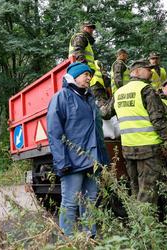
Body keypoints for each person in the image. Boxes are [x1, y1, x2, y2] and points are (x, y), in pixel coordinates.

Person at [47, 62, 109, 237]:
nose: (88, 78)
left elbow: (97, 132)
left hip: (93, 160)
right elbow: (54, 133)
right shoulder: (62, 97)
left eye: (90, 75)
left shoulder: (90, 99)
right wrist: (62, 161)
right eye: (85, 75)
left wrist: (103, 159)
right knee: (70, 202)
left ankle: (90, 236)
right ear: (74, 76)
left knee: (90, 202)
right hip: (72, 162)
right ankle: (68, 241)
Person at [114, 60, 167, 205]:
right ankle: (147, 225)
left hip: (128, 148)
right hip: (148, 147)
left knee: (135, 188)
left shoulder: (119, 92)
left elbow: (105, 113)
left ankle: (137, 222)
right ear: (136, 72)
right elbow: (158, 120)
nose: (151, 72)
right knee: (148, 190)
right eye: (147, 69)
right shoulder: (146, 89)